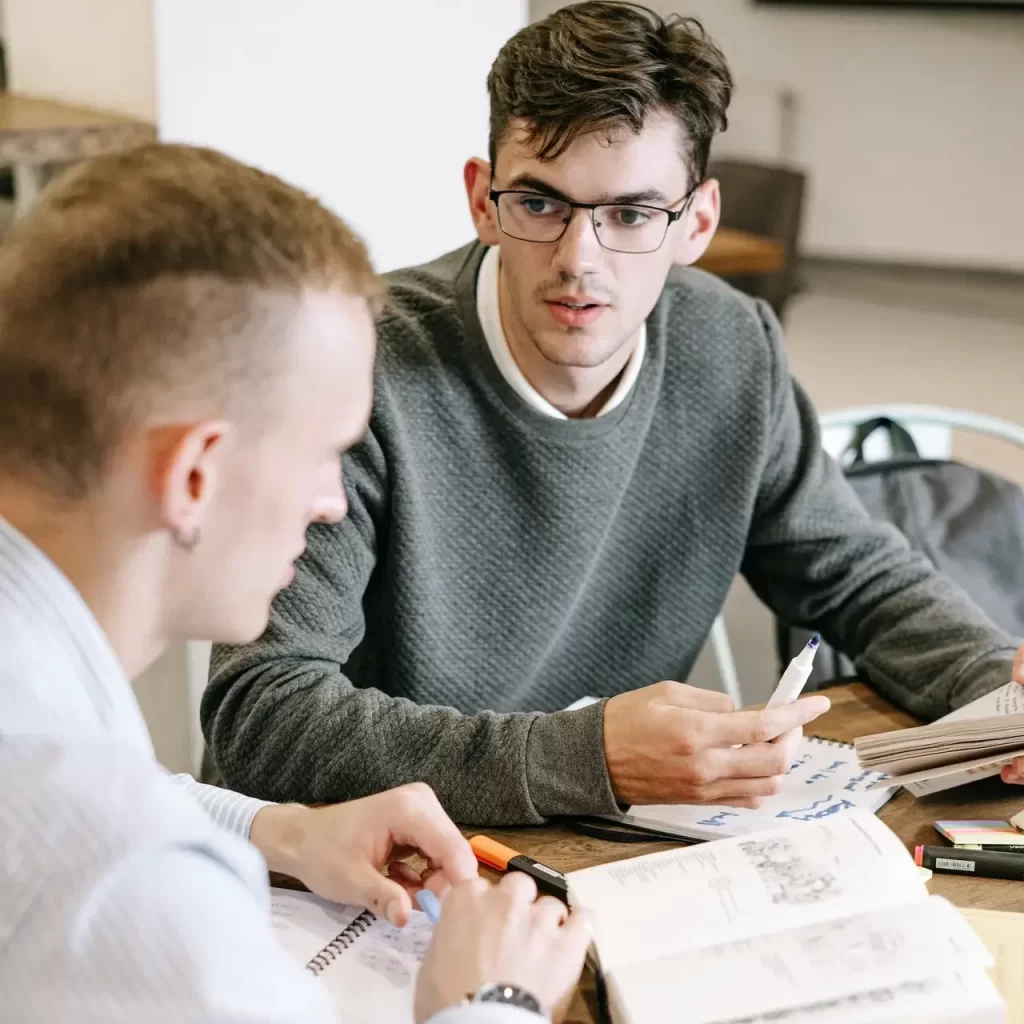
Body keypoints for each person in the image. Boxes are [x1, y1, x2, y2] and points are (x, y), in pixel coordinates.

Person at [205, 0, 1024, 827]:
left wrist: (1000, 691)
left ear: (696, 222)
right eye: (540, 204)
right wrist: (587, 755)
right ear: (483, 200)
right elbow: (260, 717)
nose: (578, 260)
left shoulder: (731, 346)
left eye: (631, 214)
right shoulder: (354, 367)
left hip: (610, 854)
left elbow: (856, 578)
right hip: (375, 874)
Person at [0, 144, 590, 1023]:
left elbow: (88, 774)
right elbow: (88, 818)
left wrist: (279, 829)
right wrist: (493, 1000)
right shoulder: (123, 876)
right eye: (324, 455)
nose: (328, 504)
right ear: (195, 475)